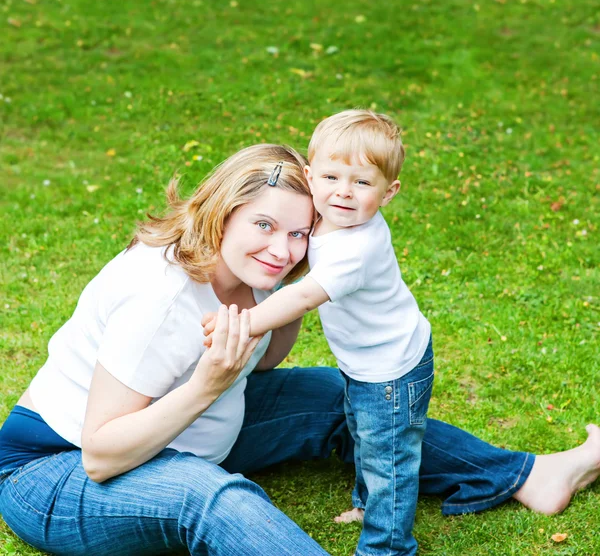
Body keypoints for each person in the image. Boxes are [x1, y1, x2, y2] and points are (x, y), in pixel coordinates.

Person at [0, 144, 598, 556]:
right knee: (205, 497)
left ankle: (530, 476)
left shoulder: (259, 266)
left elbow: (261, 363)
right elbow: (101, 455)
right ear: (223, 213)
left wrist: (287, 293)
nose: (283, 249)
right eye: (264, 225)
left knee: (336, 398)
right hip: (54, 470)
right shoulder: (159, 300)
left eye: (299, 233)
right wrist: (207, 386)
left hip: (190, 431)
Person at [205, 110, 429, 556]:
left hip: (391, 370)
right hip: (363, 361)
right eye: (331, 176)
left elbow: (303, 296)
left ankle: (388, 546)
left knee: (389, 460)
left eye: (362, 183)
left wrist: (244, 322)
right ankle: (367, 504)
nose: (343, 192)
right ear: (310, 177)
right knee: (364, 435)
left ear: (389, 192)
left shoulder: (357, 247)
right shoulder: (326, 217)